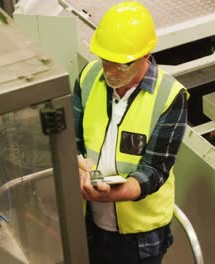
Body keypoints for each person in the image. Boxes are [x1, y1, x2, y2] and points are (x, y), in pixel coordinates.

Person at [73, 2, 189, 264]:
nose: (110, 71)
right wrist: (77, 167)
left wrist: (117, 192)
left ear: (146, 55)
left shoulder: (169, 97)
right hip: (89, 221)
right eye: (106, 61)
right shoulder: (89, 78)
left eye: (121, 66)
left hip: (139, 239)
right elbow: (72, 140)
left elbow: (154, 170)